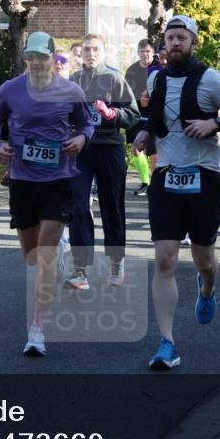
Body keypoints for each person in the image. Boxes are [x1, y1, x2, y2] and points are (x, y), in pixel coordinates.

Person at [133, 15, 220, 369]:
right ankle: (166, 342)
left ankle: (208, 287)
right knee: (165, 258)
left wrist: (214, 122)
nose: (175, 43)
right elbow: (155, 122)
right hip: (167, 176)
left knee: (204, 260)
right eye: (170, 37)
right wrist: (143, 133)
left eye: (181, 37)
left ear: (194, 42)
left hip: (205, 177)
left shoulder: (210, 79)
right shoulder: (156, 79)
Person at [0, 31, 93, 356]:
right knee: (31, 256)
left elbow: (86, 125)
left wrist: (81, 140)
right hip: (22, 179)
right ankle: (55, 257)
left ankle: (37, 329)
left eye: (40, 57)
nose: (34, 63)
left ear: (52, 59)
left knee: (44, 257)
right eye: (29, 57)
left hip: (59, 179)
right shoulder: (10, 89)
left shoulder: (71, 91)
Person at [64, 34, 140, 290]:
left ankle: (116, 261)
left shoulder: (114, 78)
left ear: (102, 52)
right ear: (80, 53)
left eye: (96, 49)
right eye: (87, 49)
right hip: (81, 149)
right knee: (77, 205)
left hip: (109, 148)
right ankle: (81, 269)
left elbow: (133, 115)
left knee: (112, 205)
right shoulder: (72, 81)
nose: (91, 53)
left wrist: (112, 114)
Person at [125, 39, 156, 196]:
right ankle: (146, 182)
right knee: (137, 149)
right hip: (137, 114)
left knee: (154, 152)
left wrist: (150, 98)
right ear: (138, 52)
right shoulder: (131, 70)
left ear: (152, 52)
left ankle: (157, 182)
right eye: (142, 51)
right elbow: (128, 93)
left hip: (155, 114)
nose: (145, 54)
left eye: (148, 51)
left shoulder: (158, 68)